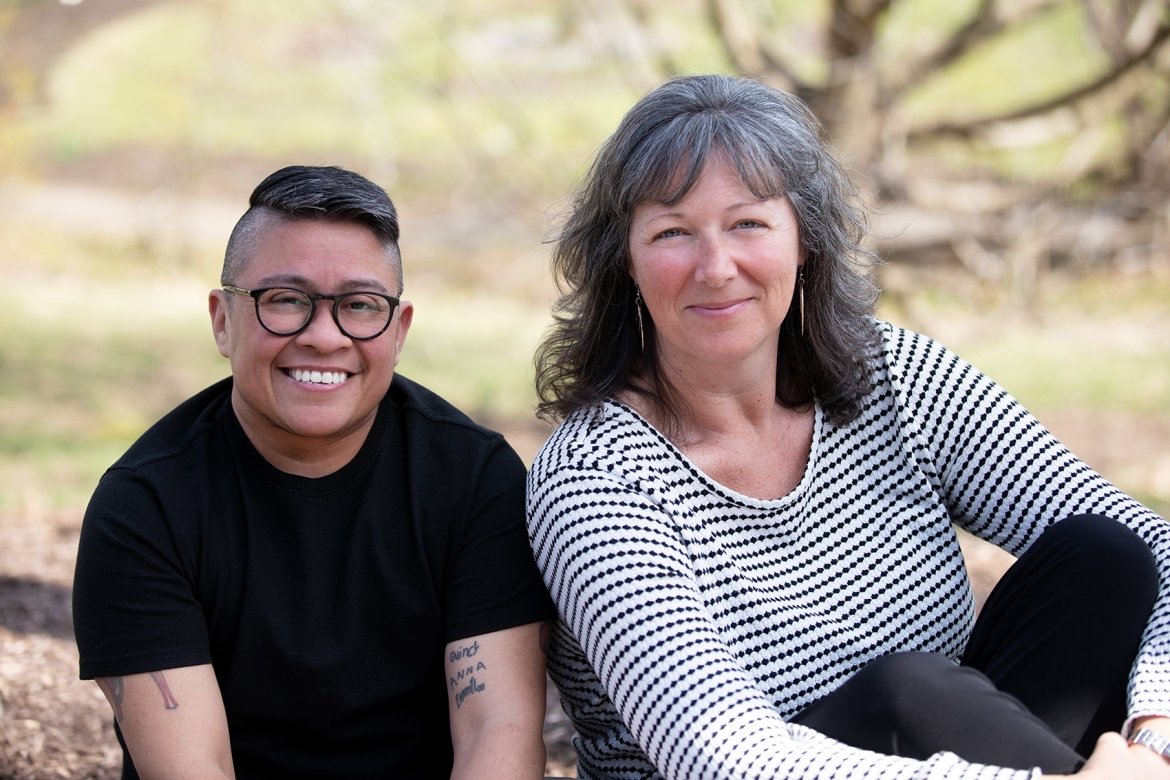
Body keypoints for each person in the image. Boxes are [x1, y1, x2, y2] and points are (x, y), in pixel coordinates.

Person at [525, 74, 1170, 779]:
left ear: (804, 240)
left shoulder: (888, 373)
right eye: (673, 233)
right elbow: (723, 756)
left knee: (1106, 557)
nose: (715, 268)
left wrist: (1155, 726)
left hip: (947, 758)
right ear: (625, 260)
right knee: (906, 693)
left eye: (748, 224)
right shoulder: (593, 478)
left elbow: (1157, 548)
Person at [73, 165, 555, 779]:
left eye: (359, 305)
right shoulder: (144, 507)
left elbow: (498, 735)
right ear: (223, 320)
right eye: (285, 300)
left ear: (399, 329)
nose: (324, 337)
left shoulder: (474, 481)